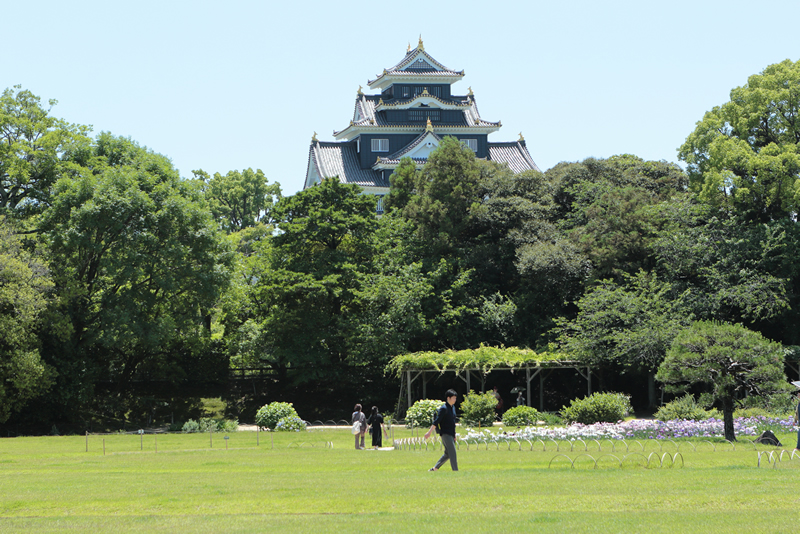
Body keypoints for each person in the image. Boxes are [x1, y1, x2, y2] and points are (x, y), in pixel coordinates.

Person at [424, 389, 458, 471]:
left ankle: (435, 468)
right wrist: (429, 432)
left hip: (451, 434)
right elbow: (436, 421)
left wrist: (454, 435)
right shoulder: (444, 408)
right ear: (448, 398)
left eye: (455, 398)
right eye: (453, 398)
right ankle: (455, 471)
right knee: (452, 453)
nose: (455, 400)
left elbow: (452, 423)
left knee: (447, 454)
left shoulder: (452, 408)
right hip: (445, 434)